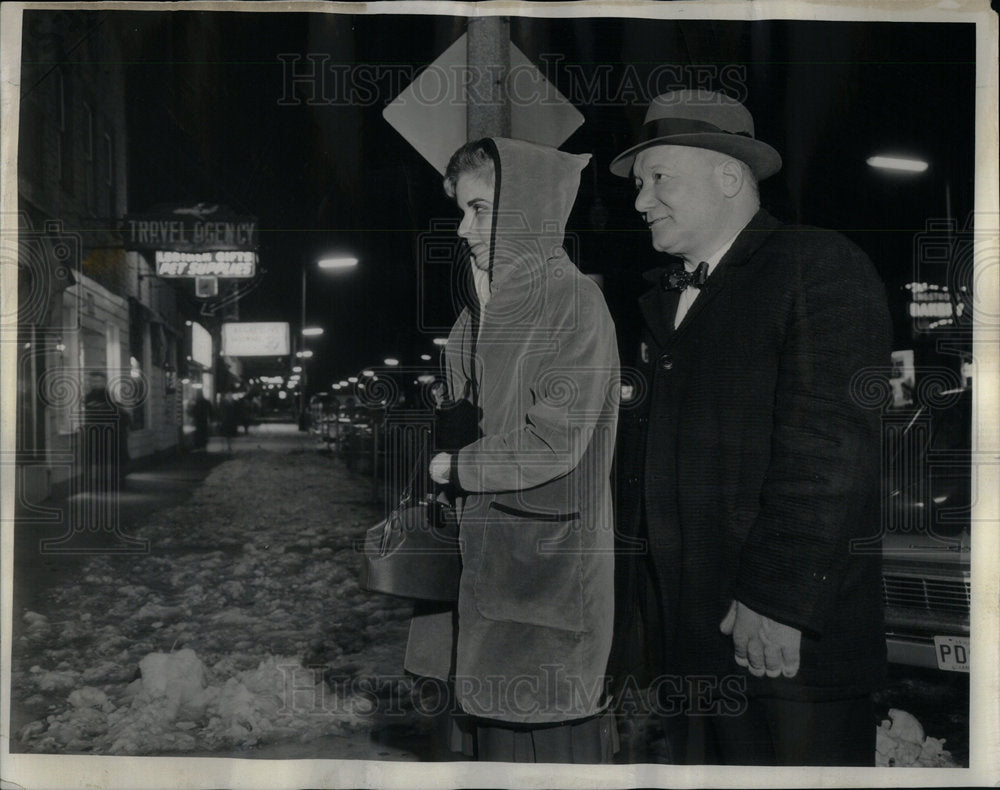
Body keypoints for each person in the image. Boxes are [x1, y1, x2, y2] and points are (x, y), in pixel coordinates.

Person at [609, 90, 892, 765]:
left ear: (729, 175)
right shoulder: (666, 303)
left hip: (783, 650)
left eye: (658, 178)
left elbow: (829, 452)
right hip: (695, 649)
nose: (640, 200)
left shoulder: (816, 266)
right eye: (640, 184)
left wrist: (780, 602)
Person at [408, 137, 621, 763]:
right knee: (493, 750)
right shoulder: (480, 312)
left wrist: (459, 467)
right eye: (461, 209)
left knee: (551, 749)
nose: (463, 226)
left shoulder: (573, 301)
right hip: (489, 575)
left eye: (480, 209)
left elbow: (555, 439)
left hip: (546, 580)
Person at [80, 371, 130, 492]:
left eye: (97, 381)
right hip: (95, 432)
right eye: (92, 381)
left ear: (104, 382)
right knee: (97, 458)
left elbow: (122, 414)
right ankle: (99, 483)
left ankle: (118, 482)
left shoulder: (111, 396)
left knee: (114, 458)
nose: (94, 384)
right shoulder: (88, 397)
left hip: (113, 433)